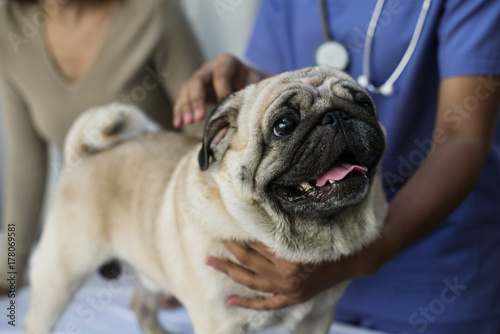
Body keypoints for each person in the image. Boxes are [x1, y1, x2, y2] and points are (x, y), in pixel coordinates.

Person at [173, 0, 500, 333]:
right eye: (286, 124)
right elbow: (279, 87)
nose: (333, 124)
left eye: (355, 105)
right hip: (290, 279)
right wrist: (250, 86)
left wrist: (366, 255)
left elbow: (464, 137)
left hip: (436, 279)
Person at [0, 0, 203, 294]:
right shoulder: (10, 27)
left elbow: (204, 136)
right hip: (94, 240)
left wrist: (192, 258)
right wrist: (9, 268)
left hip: (169, 234)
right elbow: (26, 164)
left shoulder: (153, 12)